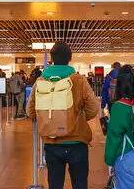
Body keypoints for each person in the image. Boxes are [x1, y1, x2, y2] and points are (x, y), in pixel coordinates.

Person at [26, 42, 99, 189]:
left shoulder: (41, 81)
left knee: (55, 183)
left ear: (52, 59)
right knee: (79, 183)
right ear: (70, 58)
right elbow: (93, 108)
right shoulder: (79, 80)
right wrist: (77, 119)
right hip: (77, 142)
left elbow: (30, 111)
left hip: (51, 142)